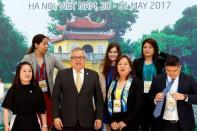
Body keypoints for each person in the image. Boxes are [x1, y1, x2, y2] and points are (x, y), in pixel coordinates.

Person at [52, 47, 104, 131]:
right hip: (66, 122)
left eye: (80, 57)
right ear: (70, 60)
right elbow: (55, 98)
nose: (78, 60)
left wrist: (99, 117)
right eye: (74, 57)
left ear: (85, 59)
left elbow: (99, 99)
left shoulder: (93, 75)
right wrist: (56, 117)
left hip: (88, 122)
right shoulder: (61, 74)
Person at [22, 34, 65, 129]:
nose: (47, 46)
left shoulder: (51, 58)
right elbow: (20, 75)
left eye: (47, 44)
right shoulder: (27, 58)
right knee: (33, 123)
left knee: (48, 123)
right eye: (44, 44)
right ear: (36, 45)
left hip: (47, 96)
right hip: (31, 96)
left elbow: (64, 70)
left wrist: (58, 82)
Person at [149, 55, 197, 131]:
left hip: (182, 125)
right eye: (168, 71)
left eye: (175, 71)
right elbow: (149, 97)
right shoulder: (157, 79)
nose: (172, 74)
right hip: (162, 124)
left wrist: (185, 97)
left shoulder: (189, 79)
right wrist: (155, 99)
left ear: (180, 67)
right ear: (165, 68)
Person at [132, 38, 168, 131]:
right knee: (144, 124)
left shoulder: (160, 61)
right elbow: (134, 79)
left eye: (150, 47)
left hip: (157, 96)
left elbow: (173, 59)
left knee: (156, 124)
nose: (147, 49)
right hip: (142, 97)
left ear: (155, 49)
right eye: (145, 47)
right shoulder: (137, 62)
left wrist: (160, 52)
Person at [2, 62, 47, 131]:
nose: (27, 73)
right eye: (24, 71)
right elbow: (6, 108)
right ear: (18, 73)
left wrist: (44, 125)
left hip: (34, 122)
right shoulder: (13, 89)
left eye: (30, 71)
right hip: (17, 123)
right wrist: (6, 124)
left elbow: (42, 110)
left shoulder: (37, 89)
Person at [107, 55, 142, 131]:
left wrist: (125, 121)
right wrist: (111, 121)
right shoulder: (112, 83)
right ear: (116, 68)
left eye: (125, 64)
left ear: (130, 68)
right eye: (119, 64)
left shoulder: (136, 82)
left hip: (130, 123)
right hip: (115, 124)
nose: (122, 66)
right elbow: (107, 103)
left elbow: (138, 105)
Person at [99, 42, 122, 131]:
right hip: (105, 103)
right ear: (107, 53)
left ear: (118, 53)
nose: (112, 54)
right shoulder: (102, 67)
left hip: (118, 103)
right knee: (106, 127)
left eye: (115, 52)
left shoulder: (122, 67)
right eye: (110, 52)